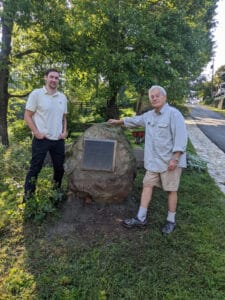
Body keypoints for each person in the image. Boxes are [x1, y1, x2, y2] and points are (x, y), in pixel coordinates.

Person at [108, 85, 187, 234]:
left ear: (164, 97)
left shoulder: (174, 115)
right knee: (147, 186)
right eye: (152, 96)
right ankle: (141, 218)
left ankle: (171, 220)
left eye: (157, 95)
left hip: (169, 162)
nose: (154, 98)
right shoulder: (149, 115)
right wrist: (118, 122)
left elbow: (181, 138)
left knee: (170, 190)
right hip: (154, 162)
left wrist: (175, 158)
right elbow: (135, 120)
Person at [23, 68, 68, 201]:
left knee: (60, 169)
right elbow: (27, 115)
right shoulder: (36, 94)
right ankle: (28, 198)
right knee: (35, 168)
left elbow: (64, 117)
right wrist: (36, 132)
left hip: (58, 141)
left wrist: (65, 131)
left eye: (56, 78)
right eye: (51, 77)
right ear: (45, 78)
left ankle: (55, 195)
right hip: (41, 139)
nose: (54, 80)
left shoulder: (62, 97)